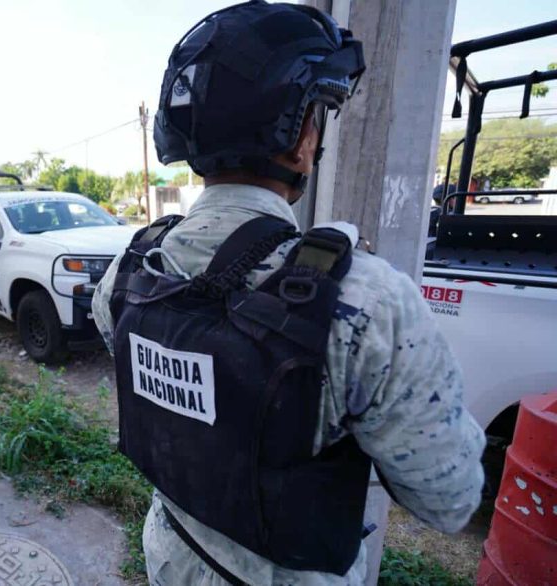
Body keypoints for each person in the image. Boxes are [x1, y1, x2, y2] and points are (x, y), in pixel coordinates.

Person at [91, 3, 485, 584]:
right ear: (302, 141)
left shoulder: (129, 269)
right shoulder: (367, 302)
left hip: (171, 558)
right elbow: (451, 499)